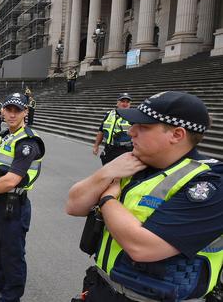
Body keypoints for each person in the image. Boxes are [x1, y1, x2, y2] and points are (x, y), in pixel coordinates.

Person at [66, 91, 223, 302]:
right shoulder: (134, 163)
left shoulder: (209, 184)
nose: (131, 132)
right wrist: (106, 172)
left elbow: (143, 247)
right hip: (103, 288)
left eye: (143, 127)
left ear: (177, 135)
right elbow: (74, 205)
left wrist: (107, 199)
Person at [0, 93, 45, 302]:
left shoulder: (28, 142)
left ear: (26, 112)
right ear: (2, 111)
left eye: (18, 110)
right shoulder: (6, 135)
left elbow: (12, 180)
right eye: (9, 110)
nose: (12, 114)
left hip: (14, 205)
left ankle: (11, 295)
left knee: (13, 253)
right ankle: (1, 279)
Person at [92, 93, 134, 165]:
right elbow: (101, 131)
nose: (125, 104)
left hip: (125, 150)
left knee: (122, 173)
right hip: (109, 149)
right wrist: (96, 145)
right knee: (107, 171)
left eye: (127, 102)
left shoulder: (133, 116)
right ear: (117, 103)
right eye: (122, 101)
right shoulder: (109, 114)